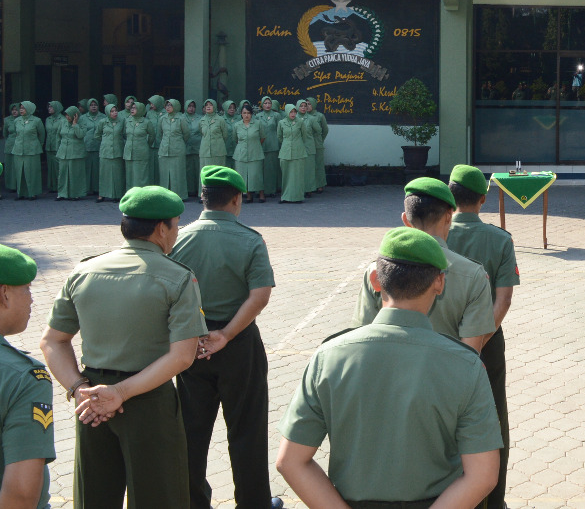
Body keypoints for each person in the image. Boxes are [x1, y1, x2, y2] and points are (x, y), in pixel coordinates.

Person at [276, 227, 502, 508]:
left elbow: (291, 461)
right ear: (440, 283)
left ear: (375, 280)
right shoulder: (465, 365)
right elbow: (483, 475)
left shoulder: (328, 358)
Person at [40, 185, 207, 508]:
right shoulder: (177, 278)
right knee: (160, 496)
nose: (176, 232)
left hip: (90, 401)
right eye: (176, 224)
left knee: (95, 496)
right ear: (162, 229)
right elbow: (183, 356)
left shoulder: (84, 271)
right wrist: (121, 393)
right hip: (148, 399)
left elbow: (52, 341)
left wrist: (78, 389)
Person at [171, 165, 276, 509]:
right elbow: (259, 296)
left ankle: (192, 502)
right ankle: (253, 503)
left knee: (190, 433)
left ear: (203, 199)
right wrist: (227, 334)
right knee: (247, 430)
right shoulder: (250, 239)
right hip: (238, 341)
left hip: (191, 345)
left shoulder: (180, 238)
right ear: (236, 199)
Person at [446, 164, 519, 509]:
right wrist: (478, 342)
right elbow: (502, 300)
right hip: (486, 346)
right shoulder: (499, 239)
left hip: (441, 341)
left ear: (450, 195)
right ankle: (493, 499)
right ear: (484, 199)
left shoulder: (438, 233)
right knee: (491, 420)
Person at [352, 178, 495, 351]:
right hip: (443, 374)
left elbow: (361, 336)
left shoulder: (377, 270)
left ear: (405, 219)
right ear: (449, 216)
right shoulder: (473, 275)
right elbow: (470, 351)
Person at [0, 243, 56, 509]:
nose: (32, 299)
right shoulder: (24, 377)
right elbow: (21, 494)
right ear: (4, 294)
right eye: (27, 288)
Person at [157, 99, 192, 199]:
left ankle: (180, 195)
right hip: (164, 150)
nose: (168, 107)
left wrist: (178, 142)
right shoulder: (162, 119)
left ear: (176, 106)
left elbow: (186, 134)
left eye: (170, 105)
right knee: (164, 174)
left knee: (178, 173)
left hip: (177, 150)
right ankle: (164, 195)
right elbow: (159, 134)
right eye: (167, 105)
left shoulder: (181, 119)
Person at [10, 103, 44, 200]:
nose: (21, 110)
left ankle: (32, 193)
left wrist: (38, 145)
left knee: (32, 172)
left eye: (23, 108)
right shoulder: (17, 121)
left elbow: (41, 134)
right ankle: (20, 193)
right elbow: (15, 133)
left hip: (32, 150)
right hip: (18, 150)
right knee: (20, 172)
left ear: (29, 109)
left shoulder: (37, 121)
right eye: (20, 108)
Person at [233, 106, 267, 203]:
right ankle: (248, 195)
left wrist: (254, 145)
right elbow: (235, 139)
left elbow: (263, 137)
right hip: (241, 153)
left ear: (251, 114)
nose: (246, 115)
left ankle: (261, 194)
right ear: (241, 114)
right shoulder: (237, 125)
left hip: (255, 152)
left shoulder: (258, 124)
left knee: (256, 174)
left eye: (248, 113)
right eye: (244, 113)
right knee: (243, 175)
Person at [276, 104, 308, 204]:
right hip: (285, 151)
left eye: (294, 112)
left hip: (298, 151)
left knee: (297, 175)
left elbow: (304, 136)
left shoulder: (300, 122)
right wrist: (287, 143)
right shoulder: (281, 122)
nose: (293, 114)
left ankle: (297, 197)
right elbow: (279, 137)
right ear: (286, 112)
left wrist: (296, 143)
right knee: (286, 174)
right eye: (291, 112)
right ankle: (285, 196)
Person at [56, 105, 88, 201]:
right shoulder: (62, 122)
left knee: (75, 174)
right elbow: (58, 136)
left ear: (75, 115)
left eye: (69, 115)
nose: (67, 117)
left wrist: (75, 124)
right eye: (66, 115)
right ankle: (62, 193)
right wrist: (58, 149)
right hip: (64, 152)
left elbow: (81, 135)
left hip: (76, 153)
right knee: (63, 173)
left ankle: (76, 193)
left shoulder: (82, 122)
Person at [122, 101, 154, 191]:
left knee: (141, 175)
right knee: (130, 175)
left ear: (140, 110)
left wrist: (146, 145)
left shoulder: (146, 122)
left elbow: (152, 136)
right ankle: (130, 195)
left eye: (135, 108)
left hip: (141, 152)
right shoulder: (127, 121)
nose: (132, 109)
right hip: (129, 152)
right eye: (132, 108)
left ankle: (142, 194)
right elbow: (124, 134)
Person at [97, 103, 126, 203]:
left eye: (116, 111)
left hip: (118, 150)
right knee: (104, 174)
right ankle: (102, 195)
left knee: (117, 174)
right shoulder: (102, 122)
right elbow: (97, 135)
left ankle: (117, 195)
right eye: (112, 111)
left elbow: (125, 134)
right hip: (105, 151)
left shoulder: (122, 121)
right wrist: (106, 141)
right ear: (107, 112)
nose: (115, 113)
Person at [258, 97, 281, 198]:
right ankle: (261, 190)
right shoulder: (258, 116)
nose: (267, 105)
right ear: (262, 105)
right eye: (265, 103)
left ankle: (271, 190)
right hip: (261, 145)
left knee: (271, 169)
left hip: (273, 144)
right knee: (261, 169)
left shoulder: (276, 115)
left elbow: (280, 130)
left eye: (269, 103)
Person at [199, 99, 230, 170]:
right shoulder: (201, 120)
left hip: (218, 151)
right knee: (206, 172)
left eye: (210, 105)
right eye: (206, 105)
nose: (208, 107)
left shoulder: (220, 120)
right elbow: (202, 133)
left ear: (215, 106)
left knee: (218, 172)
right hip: (205, 152)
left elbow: (225, 135)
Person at [305, 97, 328, 194]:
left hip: (317, 143)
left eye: (309, 104)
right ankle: (310, 185)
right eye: (306, 104)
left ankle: (320, 185)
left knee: (318, 165)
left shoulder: (319, 116)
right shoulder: (303, 116)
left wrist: (320, 140)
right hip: (307, 144)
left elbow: (325, 130)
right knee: (309, 165)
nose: (307, 106)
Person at [82, 98, 102, 198]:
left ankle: (97, 188)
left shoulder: (103, 117)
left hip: (99, 146)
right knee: (87, 168)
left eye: (95, 105)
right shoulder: (83, 118)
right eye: (91, 105)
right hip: (87, 146)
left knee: (97, 169)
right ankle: (86, 188)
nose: (93, 106)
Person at [43, 101, 63, 195]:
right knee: (50, 168)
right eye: (49, 107)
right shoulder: (48, 119)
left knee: (58, 168)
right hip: (49, 146)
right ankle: (52, 186)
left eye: (51, 107)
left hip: (58, 146)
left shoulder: (62, 119)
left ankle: (60, 186)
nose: (49, 108)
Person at [184, 100, 203, 197]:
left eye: (193, 106)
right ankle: (189, 189)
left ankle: (197, 189)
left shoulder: (200, 118)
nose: (191, 108)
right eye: (189, 106)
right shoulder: (181, 118)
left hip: (197, 146)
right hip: (186, 147)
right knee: (188, 170)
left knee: (197, 168)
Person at [2, 103, 18, 196]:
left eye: (16, 109)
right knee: (9, 166)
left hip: (19, 144)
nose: (14, 111)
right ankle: (10, 186)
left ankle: (18, 185)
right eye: (13, 110)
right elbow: (5, 133)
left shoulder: (22, 120)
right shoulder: (7, 120)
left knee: (17, 166)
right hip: (10, 144)